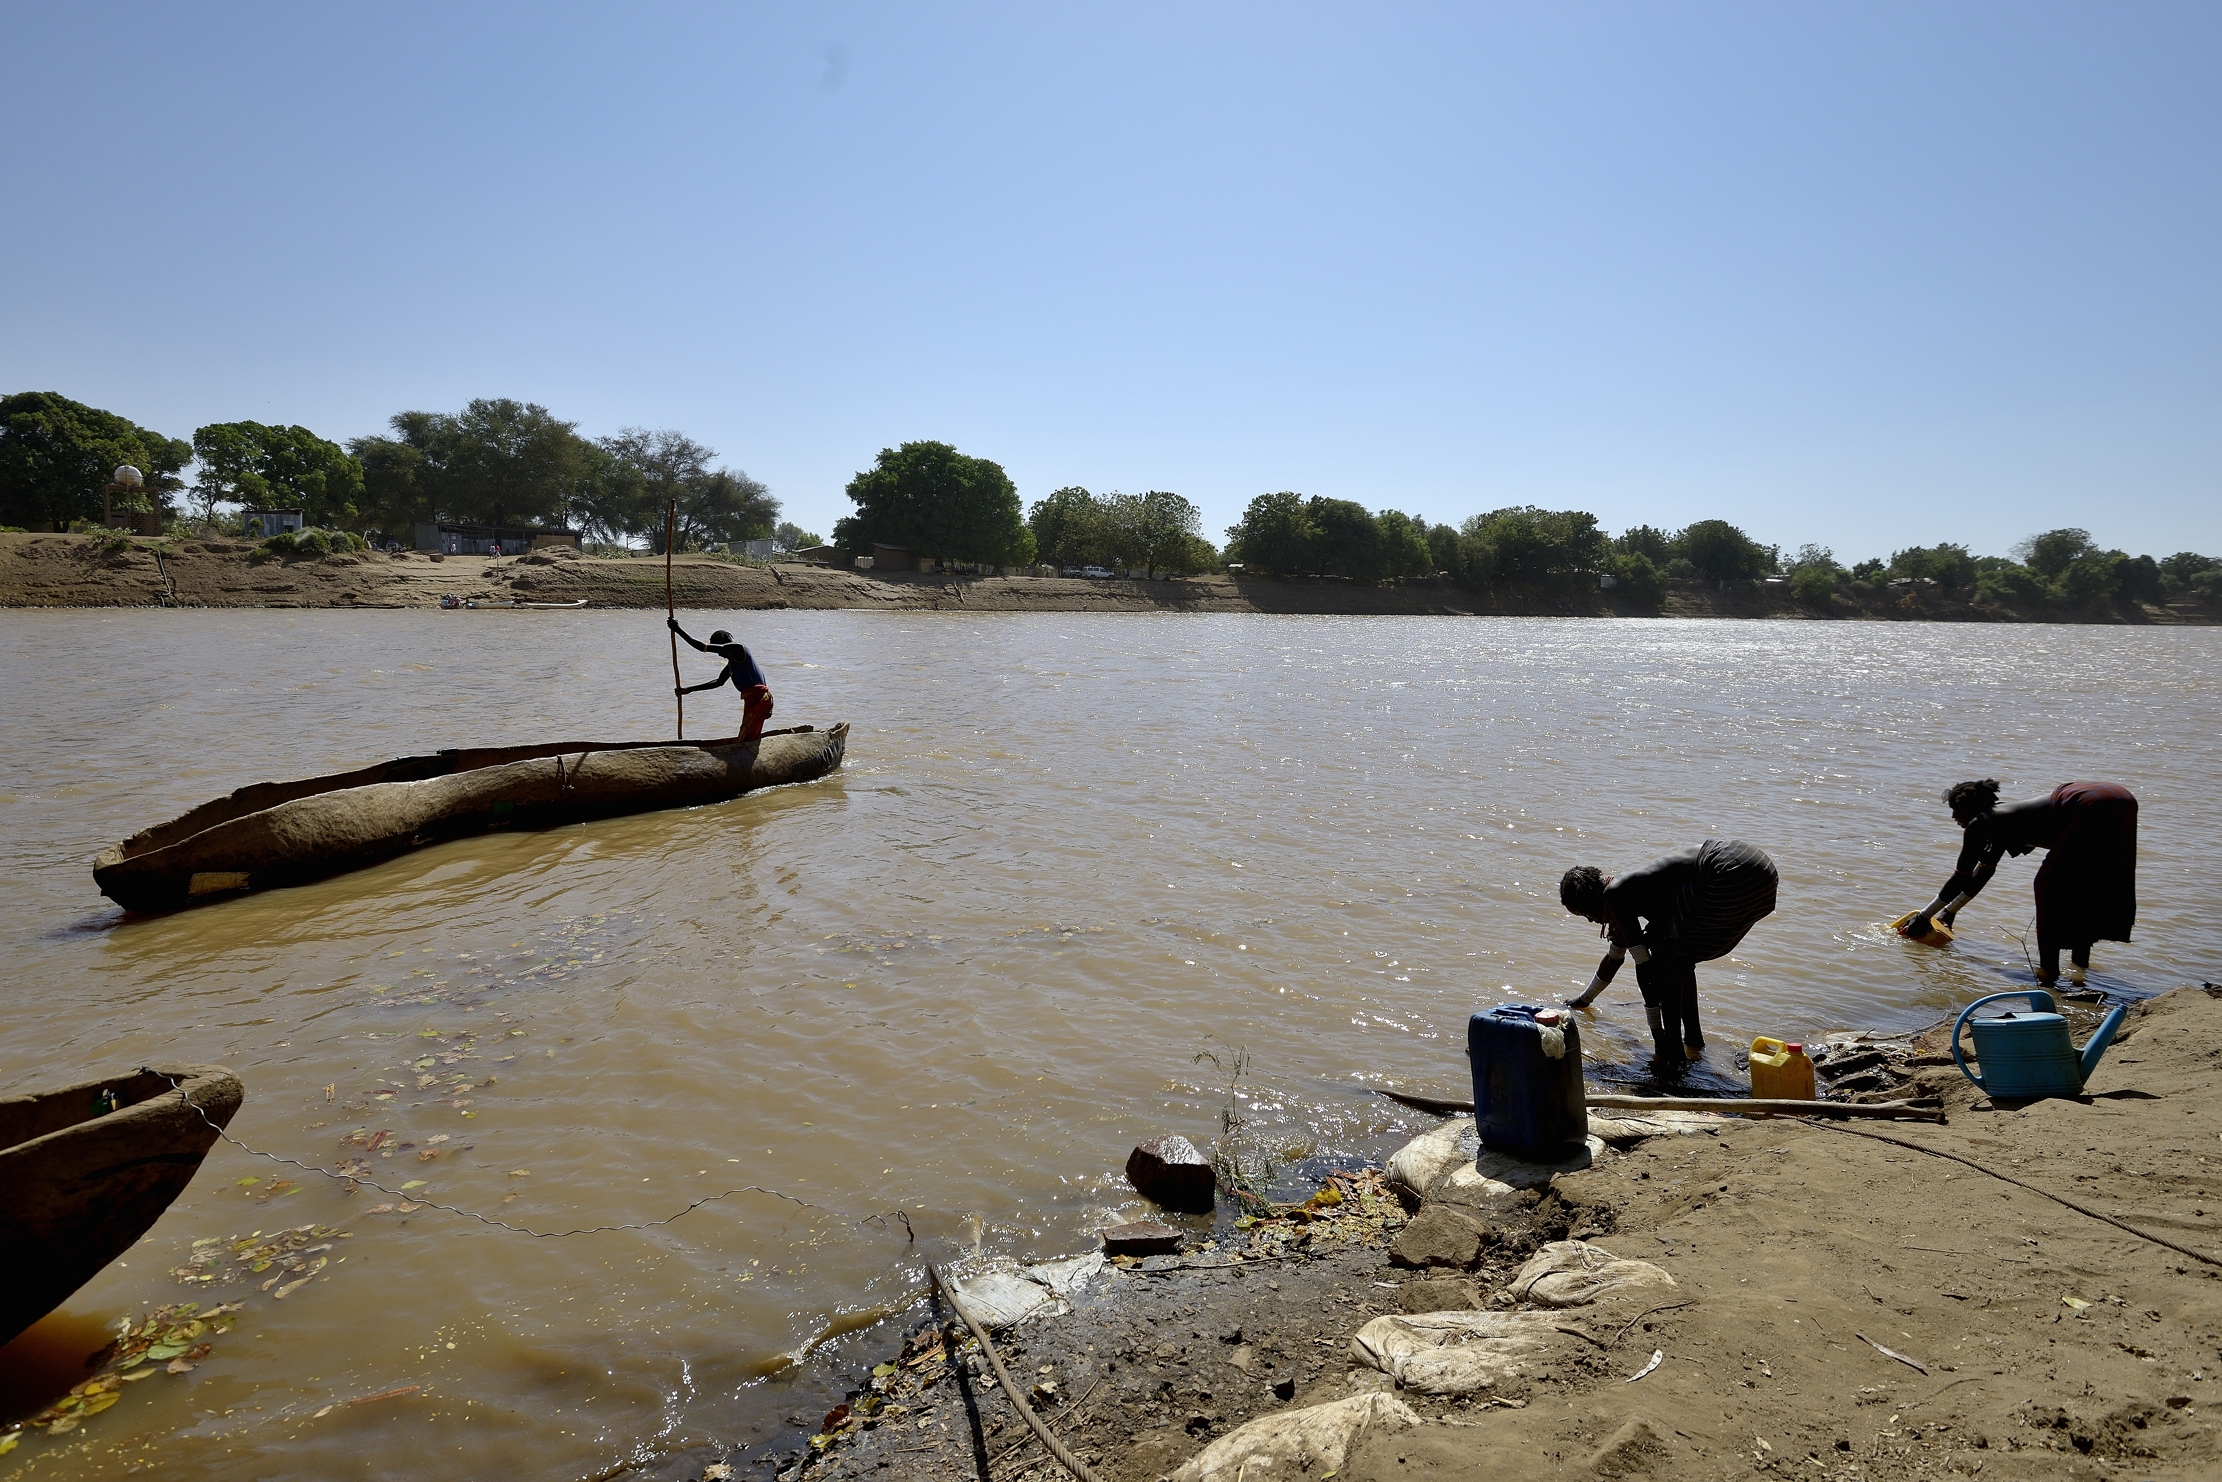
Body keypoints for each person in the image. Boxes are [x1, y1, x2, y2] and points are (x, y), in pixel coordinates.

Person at [1559, 839, 1780, 1064]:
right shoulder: (1625, 892)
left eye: (1584, 913)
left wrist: (1657, 1036)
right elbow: (1614, 957)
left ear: (1593, 900)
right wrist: (1583, 1000)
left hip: (1730, 872)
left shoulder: (1615, 894)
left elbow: (1643, 965)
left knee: (1666, 957)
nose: (1589, 920)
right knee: (1678, 956)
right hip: (1763, 872)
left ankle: (1672, 1051)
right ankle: (1693, 1040)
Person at [1900, 779, 2137, 984]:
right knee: (2082, 888)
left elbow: (1961, 875)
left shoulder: (1980, 823)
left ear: (1967, 809)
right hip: (2120, 798)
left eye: (1954, 810)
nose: (1953, 817)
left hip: (2088, 802)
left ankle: (2048, 974)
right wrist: (1950, 911)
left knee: (2047, 885)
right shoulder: (2001, 820)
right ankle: (2079, 969)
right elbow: (1983, 873)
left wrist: (1924, 916)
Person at [669, 618, 774, 741]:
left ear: (723, 644)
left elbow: (701, 647)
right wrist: (689, 689)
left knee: (747, 736)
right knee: (747, 735)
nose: (719, 654)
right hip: (752, 698)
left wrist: (678, 629)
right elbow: (718, 682)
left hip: (759, 698)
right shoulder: (732, 664)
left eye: (719, 650)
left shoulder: (738, 648)